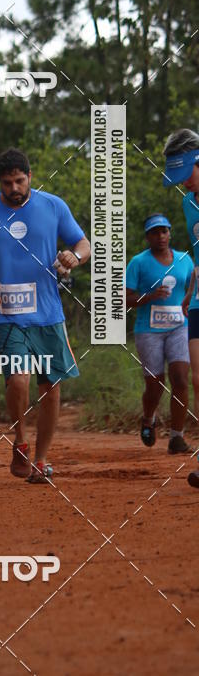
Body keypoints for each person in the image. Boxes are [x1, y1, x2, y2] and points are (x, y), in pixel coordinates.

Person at [0, 148, 90, 484]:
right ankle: (20, 440)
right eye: (7, 183)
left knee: (51, 387)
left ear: (30, 176)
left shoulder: (53, 206)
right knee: (18, 379)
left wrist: (73, 257)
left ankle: (42, 460)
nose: (14, 187)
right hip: (6, 313)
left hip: (48, 312)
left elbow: (83, 244)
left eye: (20, 180)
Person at [125, 214, 194, 452]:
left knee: (180, 378)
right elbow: (125, 299)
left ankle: (177, 437)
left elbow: (192, 289)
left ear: (170, 233)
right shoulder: (138, 262)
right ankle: (148, 418)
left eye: (164, 231)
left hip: (179, 327)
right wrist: (149, 297)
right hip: (149, 331)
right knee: (155, 384)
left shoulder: (185, 259)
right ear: (147, 237)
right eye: (155, 232)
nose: (160, 236)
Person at [163, 129, 199, 487]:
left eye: (186, 173)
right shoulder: (189, 203)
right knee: (197, 378)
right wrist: (190, 291)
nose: (183, 183)